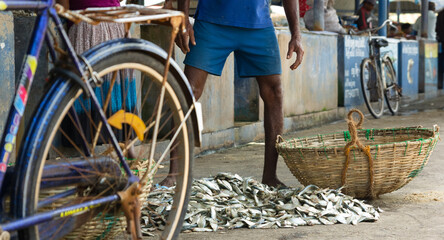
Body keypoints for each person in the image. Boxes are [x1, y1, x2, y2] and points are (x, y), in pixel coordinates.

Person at [161, 0, 304, 187]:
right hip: (212, 20)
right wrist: (184, 17)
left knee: (275, 93)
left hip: (258, 24)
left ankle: (270, 176)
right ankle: (174, 174)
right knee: (188, 91)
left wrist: (296, 34)